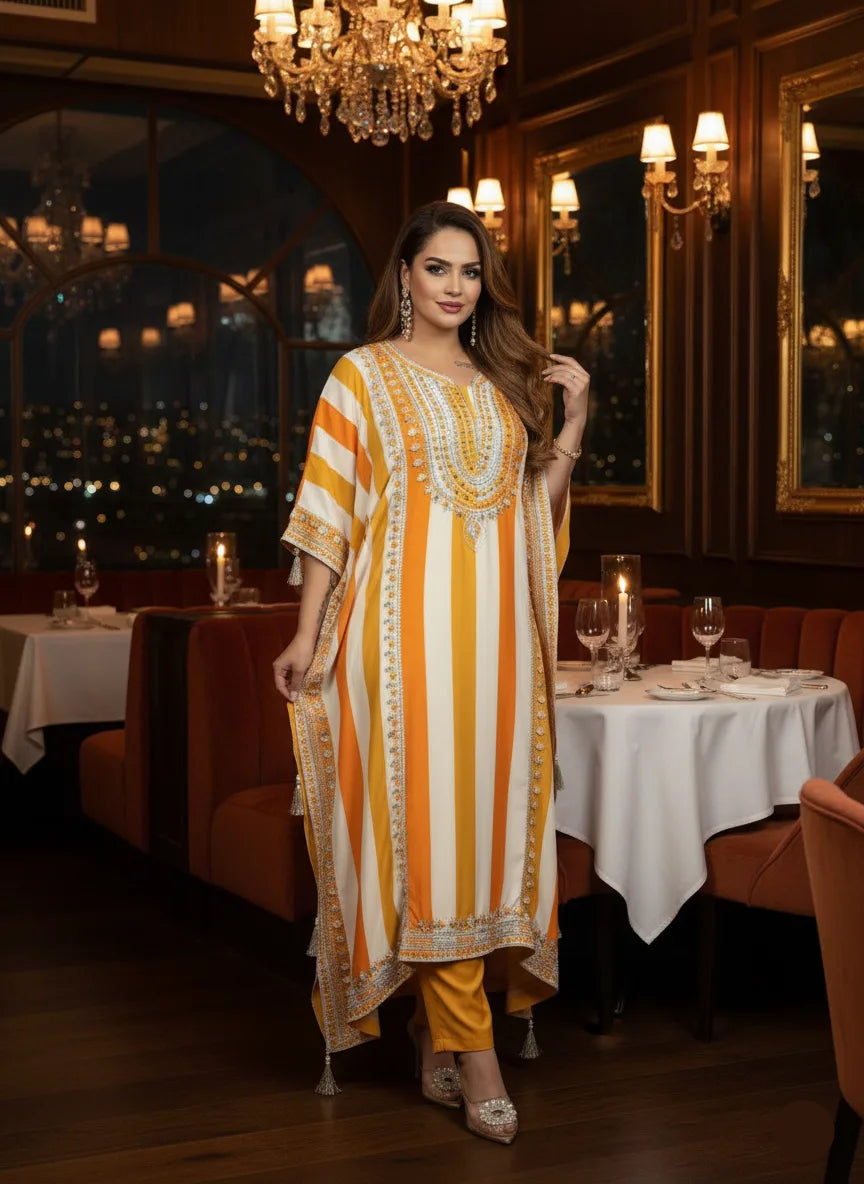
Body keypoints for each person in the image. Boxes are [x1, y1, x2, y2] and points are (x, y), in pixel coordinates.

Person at [273, 201, 589, 1145]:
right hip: (395, 650)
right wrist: (303, 634)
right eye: (438, 268)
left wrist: (575, 419)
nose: (456, 287)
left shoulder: (499, 384)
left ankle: (431, 1033)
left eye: (470, 271)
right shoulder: (360, 377)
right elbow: (326, 516)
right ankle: (476, 1049)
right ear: (404, 276)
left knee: (487, 840)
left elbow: (531, 517)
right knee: (431, 837)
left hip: (496, 649)